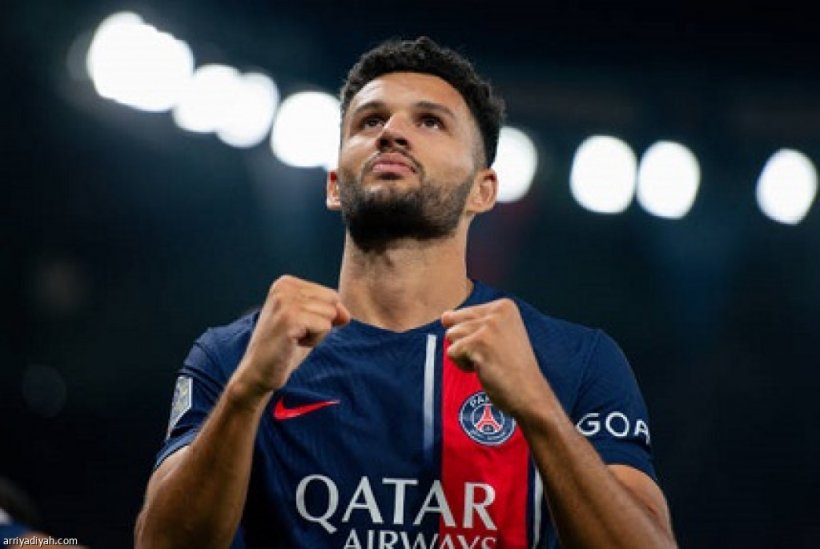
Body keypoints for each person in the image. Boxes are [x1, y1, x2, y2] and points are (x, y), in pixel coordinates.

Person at [135, 36, 676, 548]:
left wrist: (539, 409)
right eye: (370, 120)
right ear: (334, 185)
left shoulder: (574, 361)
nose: (392, 132)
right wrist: (246, 392)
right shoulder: (237, 355)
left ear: (483, 190)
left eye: (430, 121)